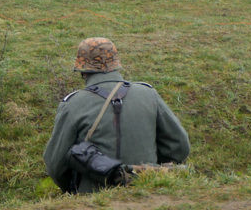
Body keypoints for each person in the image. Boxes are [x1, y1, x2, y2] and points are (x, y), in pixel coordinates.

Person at [43, 37, 190, 194]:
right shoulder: (149, 95)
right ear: (116, 65)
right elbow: (178, 147)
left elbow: (55, 165)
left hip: (93, 201)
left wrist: (74, 188)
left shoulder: (73, 104)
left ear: (83, 71)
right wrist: (148, 172)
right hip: (148, 194)